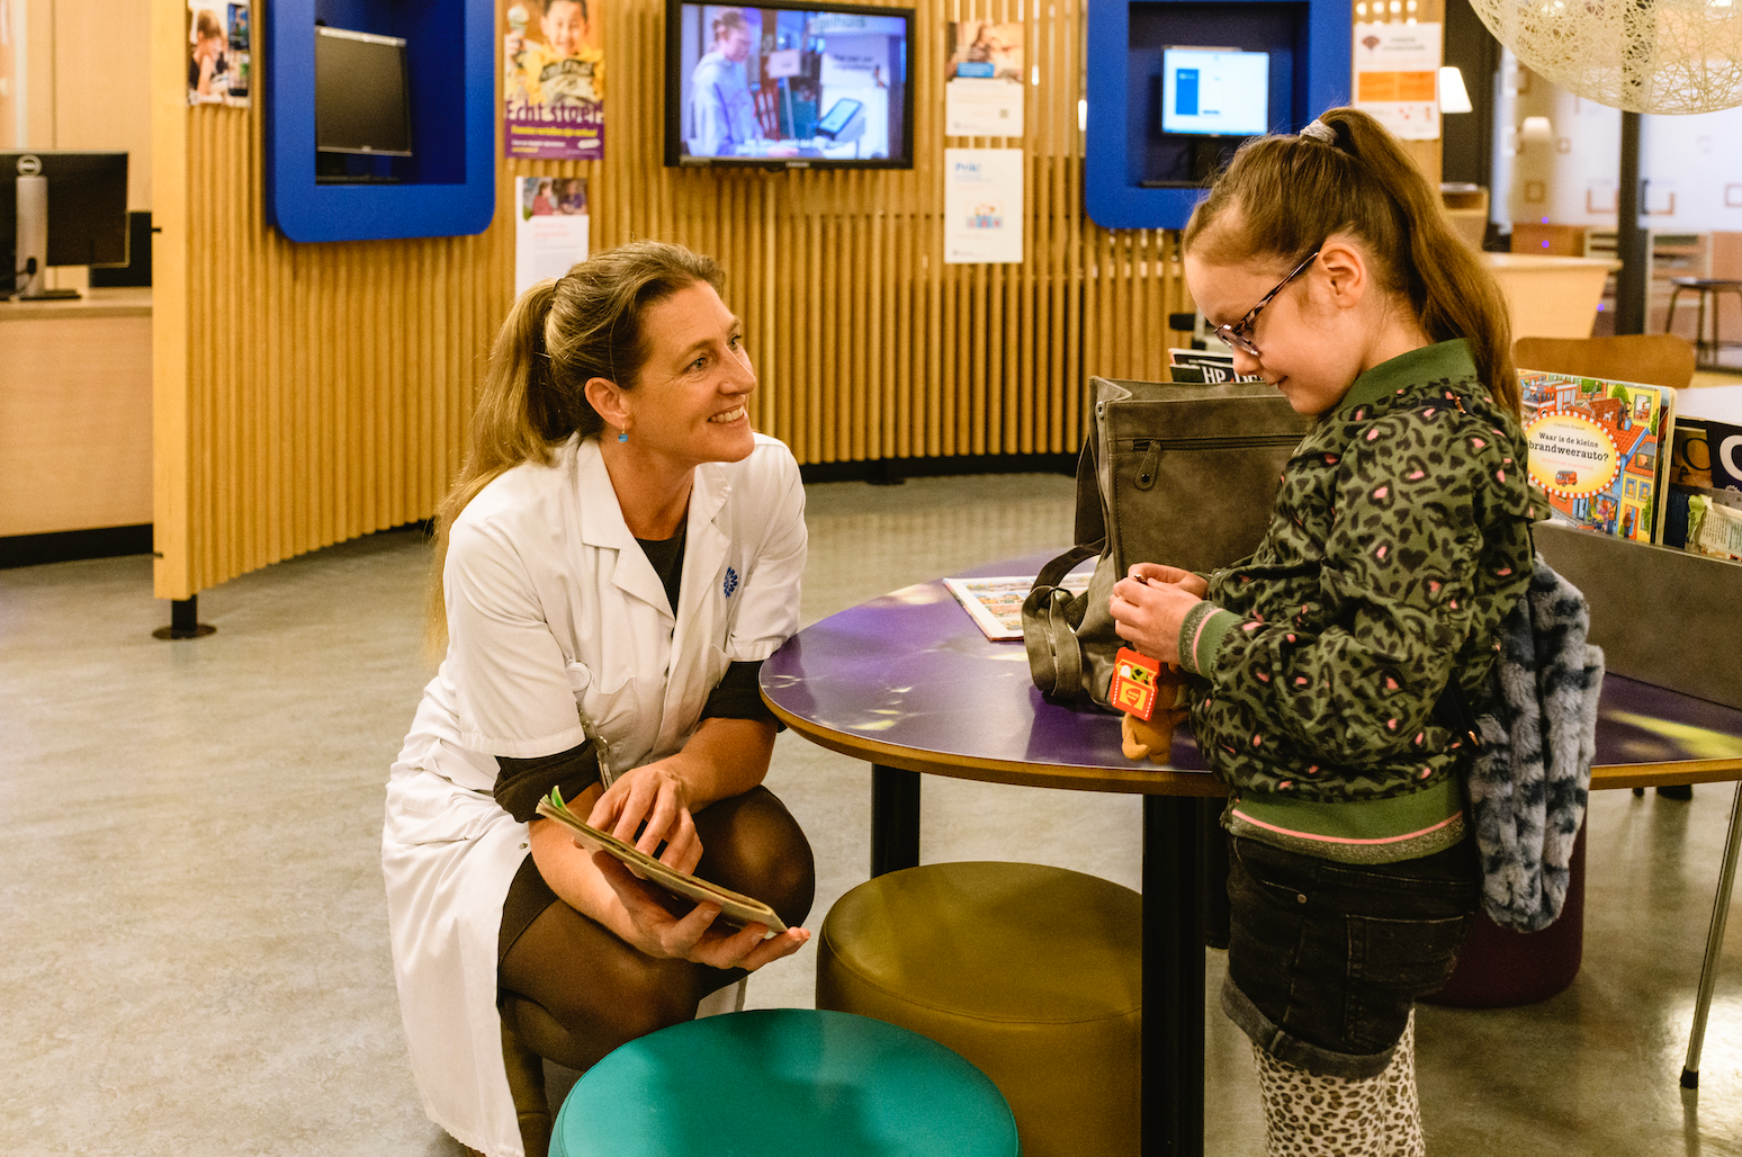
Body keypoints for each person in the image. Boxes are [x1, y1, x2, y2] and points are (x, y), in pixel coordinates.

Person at [1107, 107, 1537, 1157]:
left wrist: (1202, 634)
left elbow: (1368, 694)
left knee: (1330, 1135)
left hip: (1341, 876)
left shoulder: (1413, 448)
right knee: (1358, 1118)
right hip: (1326, 865)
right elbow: (1341, 593)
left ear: (1338, 275)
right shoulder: (1383, 420)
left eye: (1244, 325)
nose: (1243, 359)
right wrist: (1219, 592)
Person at [383, 241, 816, 1157]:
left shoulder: (763, 478)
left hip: (644, 773)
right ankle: (528, 1031)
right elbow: (548, 796)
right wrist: (646, 930)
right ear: (612, 402)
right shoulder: (504, 534)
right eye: (698, 363)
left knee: (775, 868)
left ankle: (643, 1022)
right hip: (496, 807)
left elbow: (748, 713)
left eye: (735, 342)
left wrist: (682, 780)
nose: (741, 377)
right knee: (640, 989)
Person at [687, 9, 761, 156]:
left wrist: (758, 137)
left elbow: (748, 119)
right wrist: (765, 153)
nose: (749, 51)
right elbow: (716, 152)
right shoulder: (709, 79)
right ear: (724, 34)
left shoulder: (738, 70)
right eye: (743, 43)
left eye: (751, 44)